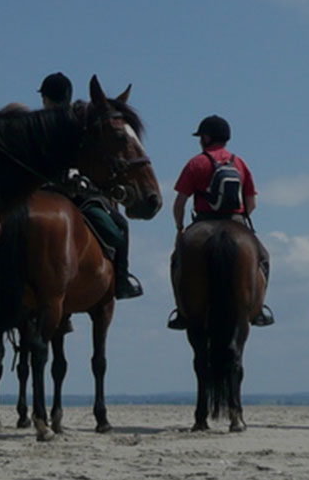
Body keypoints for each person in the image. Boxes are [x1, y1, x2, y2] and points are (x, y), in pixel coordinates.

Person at [37, 72, 143, 300]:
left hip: (39, 190)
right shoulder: (78, 121)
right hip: (73, 194)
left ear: (45, 98)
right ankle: (122, 281)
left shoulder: (36, 122)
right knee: (121, 226)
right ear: (69, 95)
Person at [167, 114, 273, 329]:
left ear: (206, 137)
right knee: (263, 258)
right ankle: (259, 308)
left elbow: (179, 203)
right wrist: (241, 220)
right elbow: (251, 203)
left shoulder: (196, 162)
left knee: (176, 259)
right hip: (236, 219)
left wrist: (180, 228)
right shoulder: (240, 163)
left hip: (203, 220)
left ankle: (181, 310)